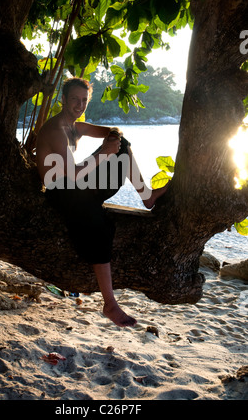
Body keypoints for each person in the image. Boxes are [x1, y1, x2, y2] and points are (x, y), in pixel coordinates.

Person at [36, 77, 168, 327]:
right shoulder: (56, 130)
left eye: (84, 100)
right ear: (63, 100)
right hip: (60, 191)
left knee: (122, 146)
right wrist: (101, 153)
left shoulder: (76, 126)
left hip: (76, 186)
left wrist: (114, 139)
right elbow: (72, 173)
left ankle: (146, 196)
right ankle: (110, 304)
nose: (79, 104)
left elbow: (112, 135)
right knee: (100, 226)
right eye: (74, 99)